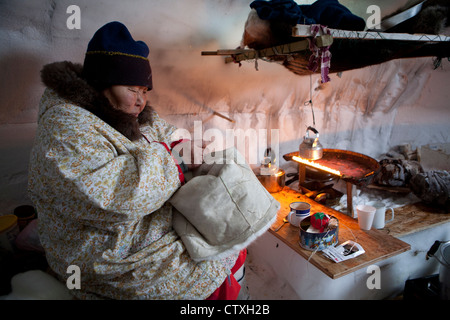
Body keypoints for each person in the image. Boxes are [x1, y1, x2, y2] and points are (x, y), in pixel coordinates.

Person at [27, 21, 246, 300]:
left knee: (227, 232)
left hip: (139, 224)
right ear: (101, 83)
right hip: (102, 249)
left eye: (145, 91)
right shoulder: (67, 125)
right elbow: (110, 195)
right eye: (133, 88)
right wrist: (176, 161)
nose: (141, 101)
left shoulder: (132, 115)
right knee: (211, 254)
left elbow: (165, 134)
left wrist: (186, 144)